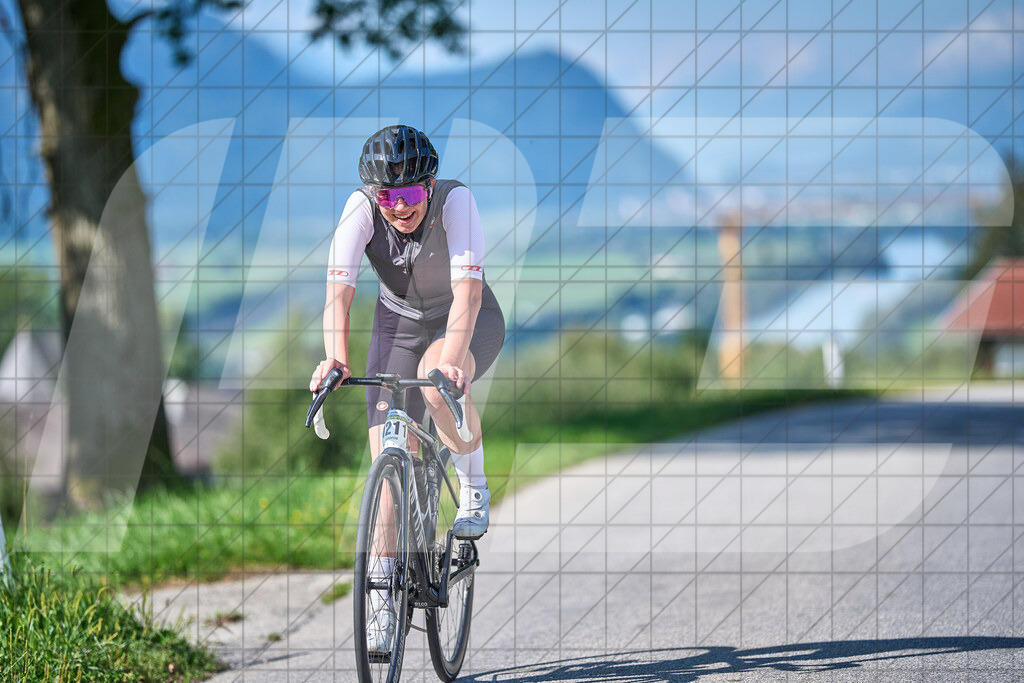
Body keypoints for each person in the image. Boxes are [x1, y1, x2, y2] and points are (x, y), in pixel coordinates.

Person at [309, 125, 504, 651]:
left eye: (412, 193)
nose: (399, 207)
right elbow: (338, 294)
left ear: (430, 185)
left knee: (438, 389)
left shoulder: (456, 202)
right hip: (398, 325)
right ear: (374, 194)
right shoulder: (360, 210)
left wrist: (453, 362)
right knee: (386, 472)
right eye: (387, 196)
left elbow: (468, 296)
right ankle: (381, 601)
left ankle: (474, 486)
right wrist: (335, 359)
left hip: (464, 318)